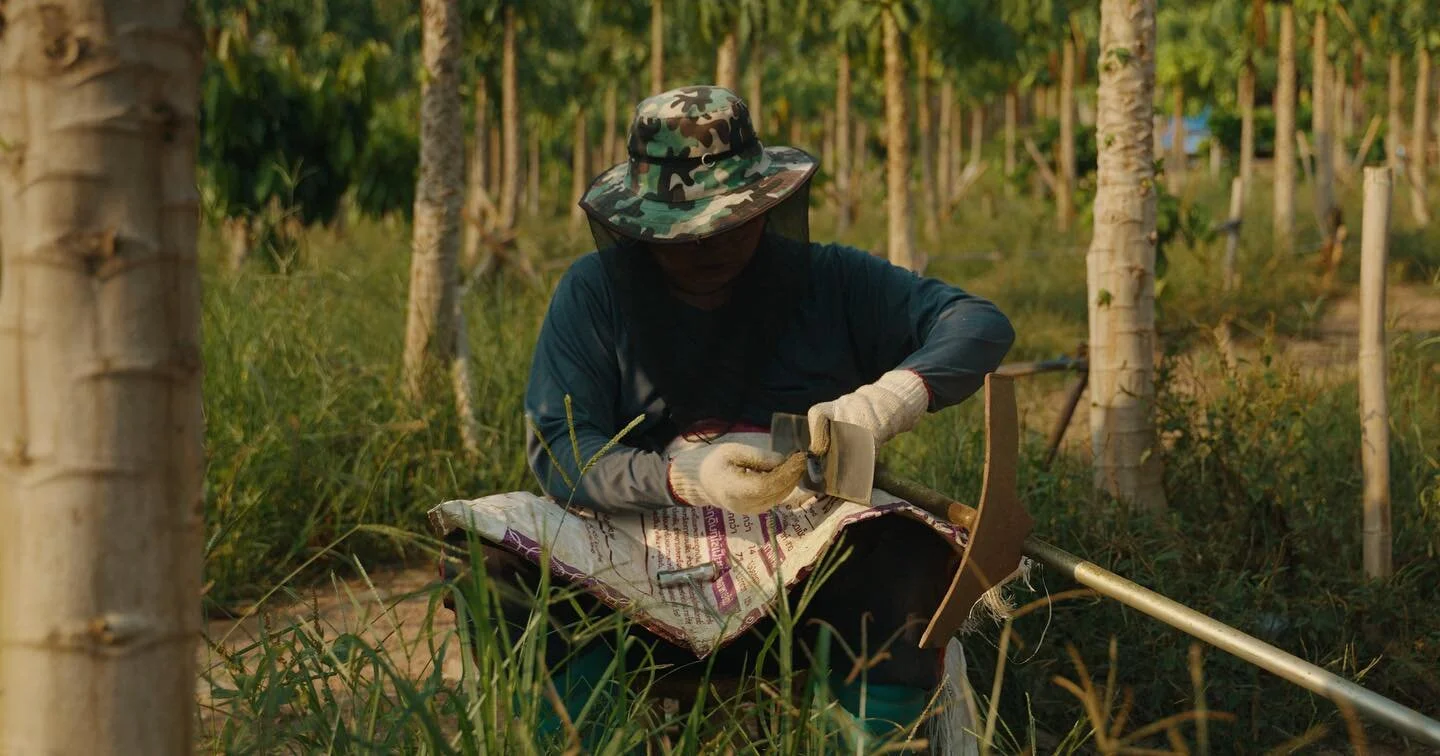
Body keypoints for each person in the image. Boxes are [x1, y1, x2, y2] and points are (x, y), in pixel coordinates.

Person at [464, 86, 1015, 750]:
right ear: (640, 225)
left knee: (901, 552)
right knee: (495, 568)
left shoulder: (833, 280)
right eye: (685, 234)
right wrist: (683, 477)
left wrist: (887, 401)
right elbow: (560, 449)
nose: (710, 247)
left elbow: (978, 324)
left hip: (806, 579)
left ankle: (879, 737)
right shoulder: (594, 294)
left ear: (766, 202)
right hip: (631, 575)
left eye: (731, 222)